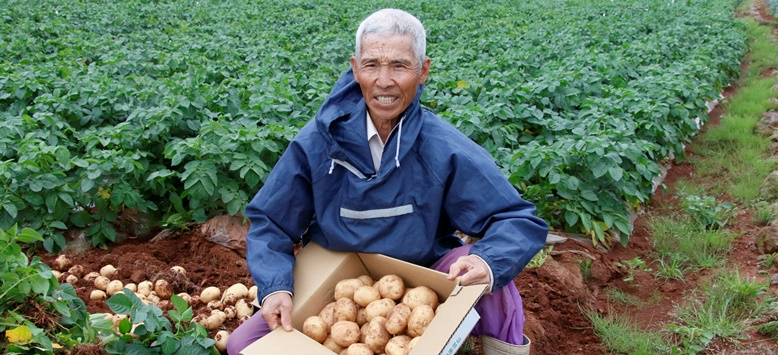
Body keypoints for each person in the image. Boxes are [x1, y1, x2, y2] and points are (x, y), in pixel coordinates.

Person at [227, 8, 548, 355]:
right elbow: (271, 221)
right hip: (336, 280)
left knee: (486, 273)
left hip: (423, 277)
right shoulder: (320, 142)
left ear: (423, 71)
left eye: (399, 65)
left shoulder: (441, 147)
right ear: (355, 68)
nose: (384, 81)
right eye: (371, 65)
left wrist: (486, 263)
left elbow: (517, 219)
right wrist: (275, 287)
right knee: (242, 346)